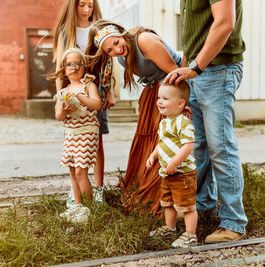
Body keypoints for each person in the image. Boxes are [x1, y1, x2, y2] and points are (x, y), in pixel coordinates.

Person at [165, 0, 248, 243]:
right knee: (197, 146)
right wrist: (186, 69)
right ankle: (203, 208)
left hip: (217, 70)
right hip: (197, 72)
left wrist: (196, 67)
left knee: (220, 147)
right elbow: (195, 34)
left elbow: (224, 23)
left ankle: (234, 222)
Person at [86, 19, 183, 214]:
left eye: (115, 42)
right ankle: (147, 198)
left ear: (121, 34)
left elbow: (176, 72)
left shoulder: (144, 40)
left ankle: (168, 200)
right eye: (109, 51)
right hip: (156, 91)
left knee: (165, 142)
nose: (116, 50)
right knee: (146, 143)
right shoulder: (122, 58)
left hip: (174, 88)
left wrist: (175, 108)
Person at [51, 0, 115, 207]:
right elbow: (60, 65)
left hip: (94, 89)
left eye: (90, 5)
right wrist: (59, 98)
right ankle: (77, 189)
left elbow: (107, 62)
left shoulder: (98, 29)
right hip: (72, 91)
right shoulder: (64, 32)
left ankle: (98, 188)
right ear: (73, 6)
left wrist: (110, 92)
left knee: (97, 140)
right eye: (82, 5)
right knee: (73, 139)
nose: (86, 10)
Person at [48, 48, 102, 223]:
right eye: (69, 64)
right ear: (64, 69)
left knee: (81, 171)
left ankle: (89, 209)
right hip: (71, 133)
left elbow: (97, 104)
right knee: (72, 171)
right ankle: (77, 206)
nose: (74, 67)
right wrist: (63, 109)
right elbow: (58, 117)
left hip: (87, 131)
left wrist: (80, 97)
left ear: (84, 67)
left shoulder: (89, 86)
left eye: (78, 63)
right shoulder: (63, 92)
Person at [146, 81, 198, 248]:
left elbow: (188, 146)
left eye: (165, 98)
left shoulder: (184, 123)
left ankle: (191, 234)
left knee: (187, 205)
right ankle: (170, 228)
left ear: (180, 103)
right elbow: (162, 143)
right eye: (159, 97)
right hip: (167, 172)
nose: (159, 101)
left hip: (183, 173)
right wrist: (153, 155)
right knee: (167, 202)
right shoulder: (164, 122)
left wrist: (174, 163)